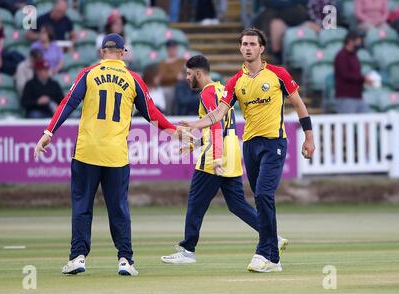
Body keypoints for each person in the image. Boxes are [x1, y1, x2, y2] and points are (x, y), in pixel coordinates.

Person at [33, 33, 191, 276]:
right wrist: (174, 132)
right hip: (116, 156)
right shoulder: (132, 78)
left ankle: (78, 257)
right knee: (118, 209)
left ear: (101, 53)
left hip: (86, 153)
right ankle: (125, 260)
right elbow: (151, 113)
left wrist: (48, 132)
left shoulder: (89, 73)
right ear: (123, 52)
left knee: (82, 206)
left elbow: (68, 103)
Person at [179, 28, 315, 273]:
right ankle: (274, 258)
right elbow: (219, 114)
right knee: (261, 199)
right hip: (250, 146)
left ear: (261, 48)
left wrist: (309, 138)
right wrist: (195, 124)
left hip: (274, 143)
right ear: (240, 48)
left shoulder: (278, 74)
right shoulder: (235, 82)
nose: (248, 48)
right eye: (244, 44)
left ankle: (263, 253)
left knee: (263, 194)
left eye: (252, 44)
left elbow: (299, 105)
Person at [161, 55, 289, 266]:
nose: (186, 78)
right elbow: (224, 126)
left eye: (189, 74)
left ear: (198, 74)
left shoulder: (208, 93)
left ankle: (187, 249)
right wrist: (193, 144)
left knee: (195, 202)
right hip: (232, 152)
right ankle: (272, 236)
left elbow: (215, 127)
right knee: (237, 204)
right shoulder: (222, 89)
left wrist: (216, 157)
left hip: (215, 154)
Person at [334, 31, 373, 113]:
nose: (360, 43)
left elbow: (357, 74)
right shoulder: (341, 55)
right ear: (350, 41)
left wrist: (363, 79)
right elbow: (345, 75)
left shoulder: (354, 55)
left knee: (368, 120)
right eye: (358, 40)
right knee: (346, 123)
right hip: (346, 97)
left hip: (358, 96)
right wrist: (363, 78)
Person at [158, 39, 186, 114]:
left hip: (182, 87)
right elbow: (161, 78)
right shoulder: (163, 63)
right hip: (169, 88)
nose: (172, 50)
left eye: (174, 47)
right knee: (168, 94)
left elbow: (186, 73)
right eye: (170, 48)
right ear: (167, 49)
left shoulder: (182, 61)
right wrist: (176, 77)